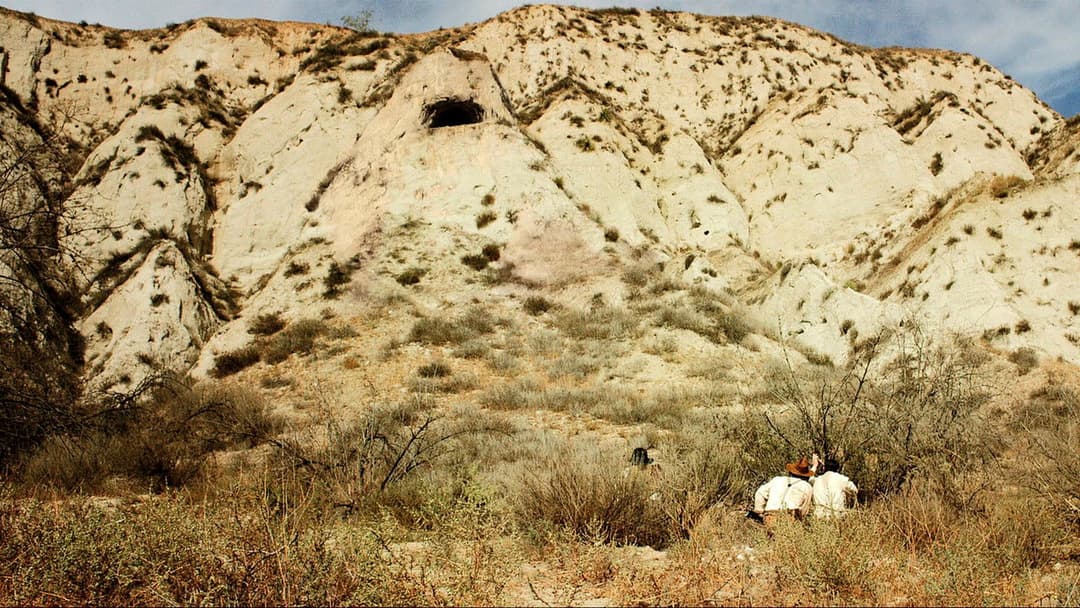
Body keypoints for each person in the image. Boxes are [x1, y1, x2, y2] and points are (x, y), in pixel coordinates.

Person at [751, 457, 816, 530]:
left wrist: (759, 511)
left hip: (770, 516)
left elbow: (760, 492)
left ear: (791, 472)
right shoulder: (807, 487)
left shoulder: (777, 479)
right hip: (789, 518)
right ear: (806, 476)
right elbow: (804, 510)